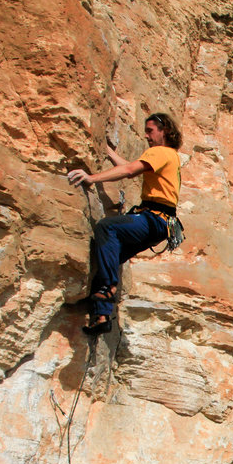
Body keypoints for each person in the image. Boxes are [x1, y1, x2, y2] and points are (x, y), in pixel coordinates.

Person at [67, 113, 183, 335]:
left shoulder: (160, 152)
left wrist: (92, 178)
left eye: (150, 131)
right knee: (109, 254)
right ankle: (101, 317)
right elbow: (130, 168)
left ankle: (109, 287)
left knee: (106, 227)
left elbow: (129, 171)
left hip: (154, 218)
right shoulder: (170, 156)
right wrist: (108, 151)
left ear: (164, 131)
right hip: (161, 223)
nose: (146, 135)